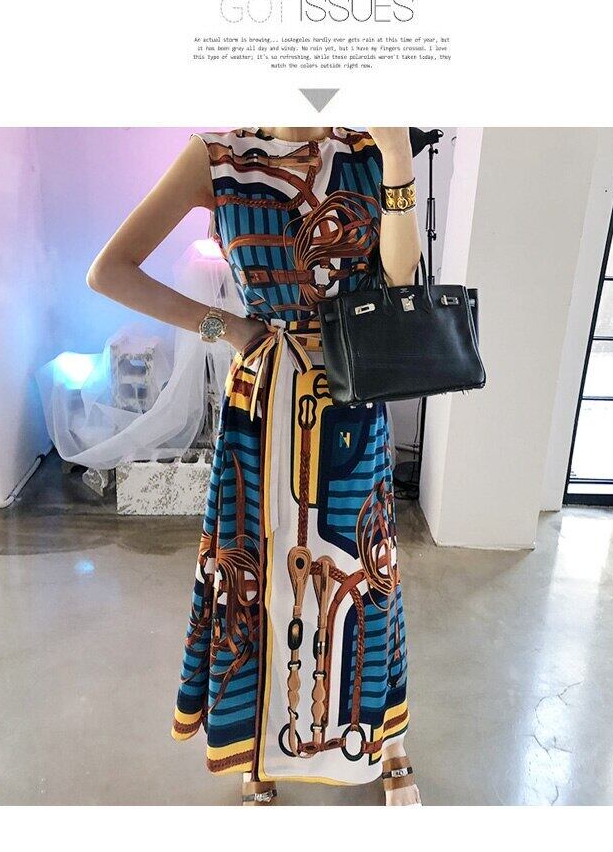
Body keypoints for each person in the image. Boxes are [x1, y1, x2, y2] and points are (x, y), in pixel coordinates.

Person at [87, 127, 422, 805]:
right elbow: (110, 271)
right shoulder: (218, 158)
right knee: (256, 572)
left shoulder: (369, 150)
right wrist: (226, 327)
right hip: (263, 403)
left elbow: (398, 281)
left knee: (367, 570)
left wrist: (396, 155)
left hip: (354, 398)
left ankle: (387, 738)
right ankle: (259, 743)